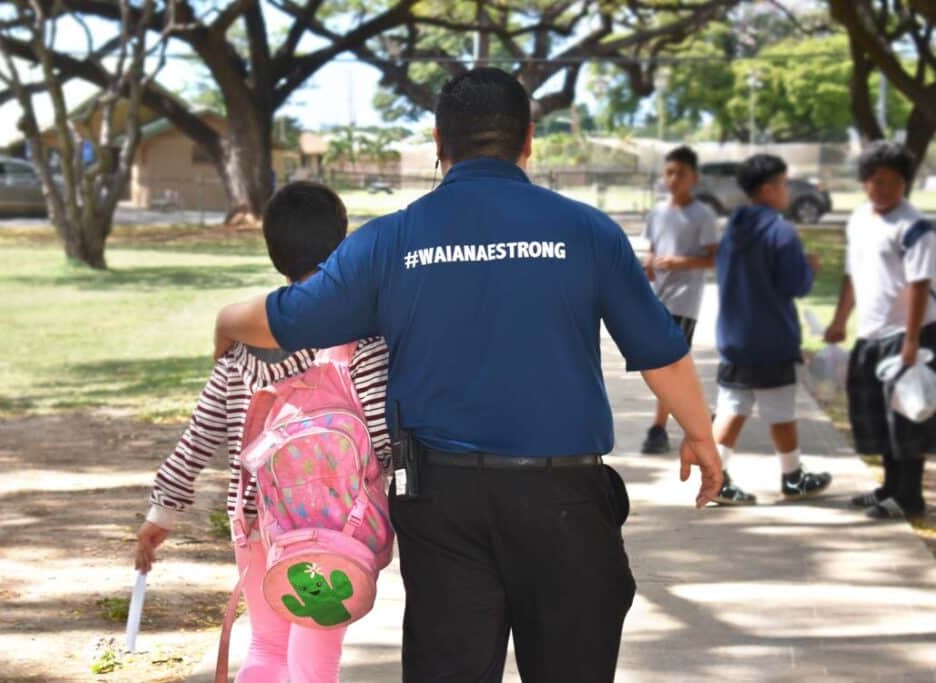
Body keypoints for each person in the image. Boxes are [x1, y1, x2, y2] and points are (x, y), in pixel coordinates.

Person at [211, 68, 722, 683]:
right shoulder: (586, 231)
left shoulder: (390, 240)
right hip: (564, 503)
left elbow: (289, 318)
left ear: (437, 142)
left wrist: (225, 319)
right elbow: (659, 351)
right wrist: (700, 433)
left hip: (440, 503)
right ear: (528, 139)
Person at [134, 182, 391, 683]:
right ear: (343, 245)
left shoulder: (241, 346)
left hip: (255, 522)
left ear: (274, 254)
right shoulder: (361, 339)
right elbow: (382, 434)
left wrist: (162, 510)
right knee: (315, 664)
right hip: (335, 529)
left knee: (269, 648)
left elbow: (200, 433)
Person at [711, 154, 831, 505]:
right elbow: (795, 284)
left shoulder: (732, 228)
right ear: (768, 188)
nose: (787, 191)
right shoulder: (781, 231)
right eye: (783, 183)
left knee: (734, 403)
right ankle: (791, 475)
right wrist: (810, 268)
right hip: (772, 336)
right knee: (779, 406)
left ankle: (717, 476)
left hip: (735, 335)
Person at [825, 141, 933, 519]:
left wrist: (912, 340)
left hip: (908, 336)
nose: (883, 188)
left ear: (904, 183)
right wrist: (840, 320)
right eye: (875, 180)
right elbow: (852, 274)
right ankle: (889, 488)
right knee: (875, 416)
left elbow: (920, 285)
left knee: (907, 419)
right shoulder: (859, 219)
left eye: (892, 181)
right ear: (864, 182)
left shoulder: (915, 226)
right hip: (870, 335)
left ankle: (910, 497)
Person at [641, 145, 719, 454]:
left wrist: (679, 262)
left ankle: (658, 428)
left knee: (668, 363)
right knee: (674, 362)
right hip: (658, 296)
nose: (674, 179)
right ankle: (701, 413)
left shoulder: (702, 215)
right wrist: (650, 262)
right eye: (669, 172)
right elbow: (652, 248)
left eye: (681, 174)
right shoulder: (657, 212)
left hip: (685, 300)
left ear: (694, 178)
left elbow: (713, 259)